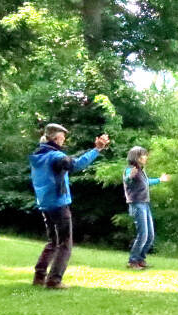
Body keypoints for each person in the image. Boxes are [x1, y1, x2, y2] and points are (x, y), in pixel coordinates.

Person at [29, 123, 110, 289]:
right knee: (65, 243)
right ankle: (54, 280)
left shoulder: (39, 155)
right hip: (59, 204)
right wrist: (97, 149)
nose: (64, 139)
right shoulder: (55, 156)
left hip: (45, 204)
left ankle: (39, 276)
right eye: (63, 136)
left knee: (53, 242)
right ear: (55, 137)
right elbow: (76, 164)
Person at [123, 146, 170, 270]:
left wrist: (160, 180)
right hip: (137, 204)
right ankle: (132, 262)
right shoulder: (130, 169)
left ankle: (140, 259)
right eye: (144, 155)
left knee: (150, 236)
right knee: (143, 235)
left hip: (145, 204)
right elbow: (127, 180)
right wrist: (130, 177)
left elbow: (146, 182)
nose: (146, 157)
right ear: (137, 157)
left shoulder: (141, 171)